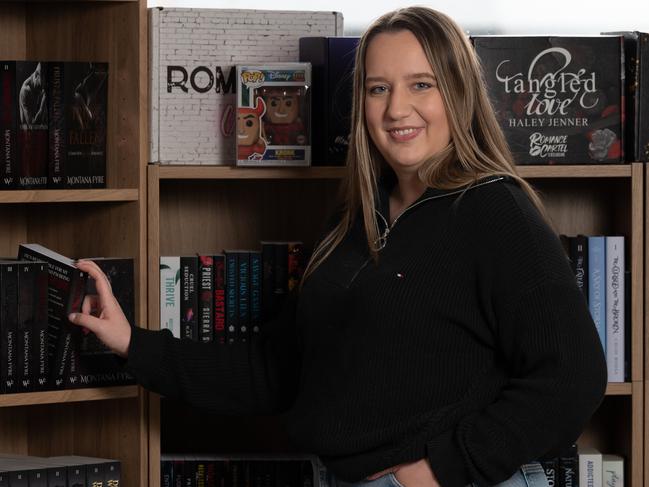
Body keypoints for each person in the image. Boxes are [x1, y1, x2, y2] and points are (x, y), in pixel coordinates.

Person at [69, 7, 607, 487]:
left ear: (459, 92)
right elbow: (278, 371)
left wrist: (439, 471)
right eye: (379, 88)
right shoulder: (356, 219)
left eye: (421, 84)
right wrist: (131, 343)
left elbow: (572, 378)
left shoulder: (494, 210)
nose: (397, 109)